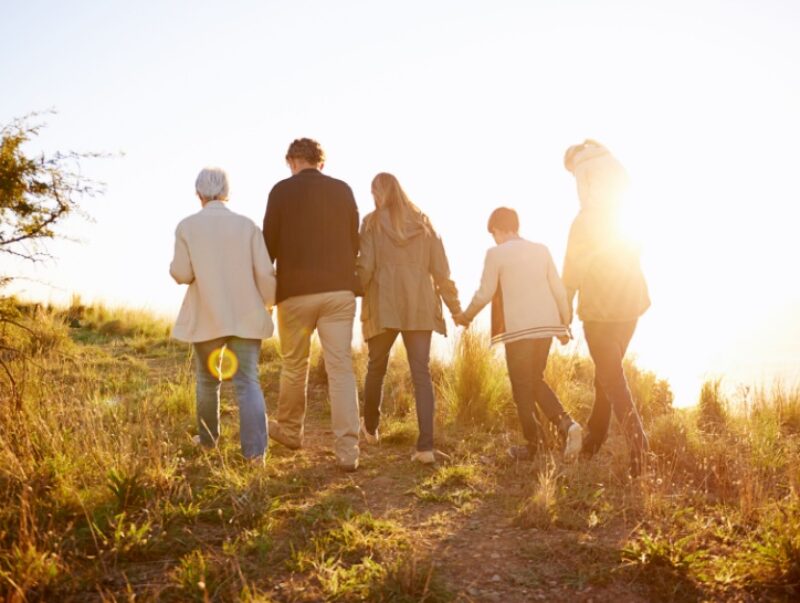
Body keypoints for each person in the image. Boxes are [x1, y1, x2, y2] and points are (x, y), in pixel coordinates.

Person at [263, 138, 361, 471]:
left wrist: (266, 295)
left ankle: (290, 431)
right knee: (341, 369)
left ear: (291, 160)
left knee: (294, 365)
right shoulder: (343, 190)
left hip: (295, 294)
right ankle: (348, 449)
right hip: (338, 292)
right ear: (321, 162)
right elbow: (354, 239)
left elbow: (268, 248)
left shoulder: (280, 191)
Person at [455, 207, 583, 462]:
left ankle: (534, 446)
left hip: (520, 330)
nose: (495, 239)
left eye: (494, 234)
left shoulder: (495, 254)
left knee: (521, 389)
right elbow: (558, 288)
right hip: (546, 326)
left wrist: (466, 316)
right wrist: (564, 323)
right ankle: (567, 426)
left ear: (499, 229)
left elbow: (485, 292)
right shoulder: (541, 249)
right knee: (535, 380)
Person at [170, 167, 275, 464]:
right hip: (246, 316)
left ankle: (208, 441)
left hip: (207, 316)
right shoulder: (247, 226)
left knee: (207, 381)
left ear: (198, 194)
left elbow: (181, 273)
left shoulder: (186, 226)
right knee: (248, 383)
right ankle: (255, 455)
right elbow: (265, 273)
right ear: (227, 192)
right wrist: (269, 304)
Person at [357, 173, 462, 464]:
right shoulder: (424, 223)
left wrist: (352, 289)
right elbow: (442, 272)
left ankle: (371, 429)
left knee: (376, 367)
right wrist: (455, 308)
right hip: (419, 305)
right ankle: (425, 447)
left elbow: (365, 266)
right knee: (421, 374)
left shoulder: (372, 223)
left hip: (384, 304)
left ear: (378, 193)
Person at [562, 139, 650, 476]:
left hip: (599, 312)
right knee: (606, 376)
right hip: (630, 307)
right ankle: (594, 440)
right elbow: (637, 248)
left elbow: (571, 273)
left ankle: (639, 444)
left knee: (612, 378)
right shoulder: (624, 211)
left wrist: (564, 312)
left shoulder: (583, 222)